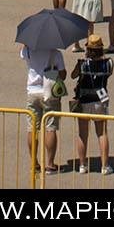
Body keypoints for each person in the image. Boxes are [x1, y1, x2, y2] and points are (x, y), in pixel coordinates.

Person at [69, 34, 114, 175]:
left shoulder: (83, 63)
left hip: (84, 100)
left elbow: (73, 75)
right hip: (100, 100)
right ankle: (105, 166)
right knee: (102, 133)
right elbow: (109, 74)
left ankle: (82, 165)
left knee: (83, 134)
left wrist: (80, 63)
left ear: (87, 49)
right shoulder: (109, 63)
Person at [21, 39, 66, 174]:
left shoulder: (28, 50)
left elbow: (22, 53)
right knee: (50, 128)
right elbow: (63, 75)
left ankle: (34, 163)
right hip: (49, 92)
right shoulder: (55, 53)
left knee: (32, 128)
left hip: (32, 91)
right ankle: (50, 164)